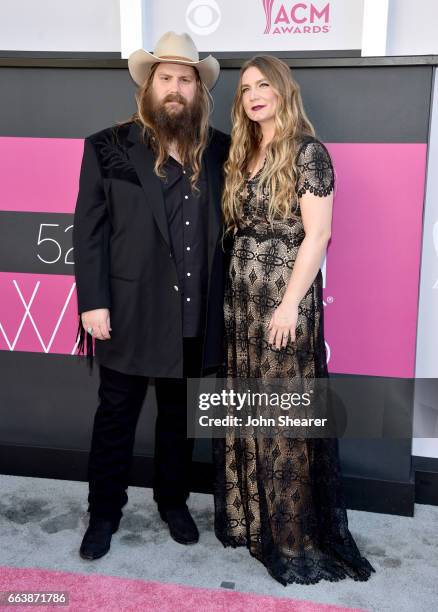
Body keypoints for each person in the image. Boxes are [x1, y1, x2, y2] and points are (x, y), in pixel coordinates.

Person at [213, 55, 375, 585]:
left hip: (285, 302)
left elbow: (319, 234)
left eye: (265, 85)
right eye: (245, 89)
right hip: (242, 304)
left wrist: (287, 305)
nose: (254, 94)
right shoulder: (245, 153)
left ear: (284, 91)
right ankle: (254, 520)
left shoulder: (309, 153)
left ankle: (291, 535)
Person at [73, 31, 229, 560]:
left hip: (194, 315)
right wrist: (92, 301)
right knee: (115, 416)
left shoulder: (221, 151)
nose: (176, 87)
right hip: (127, 312)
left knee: (179, 419)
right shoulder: (107, 146)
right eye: (166, 77)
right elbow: (88, 232)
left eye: (186, 79)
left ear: (198, 91)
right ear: (148, 86)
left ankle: (173, 501)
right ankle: (104, 513)